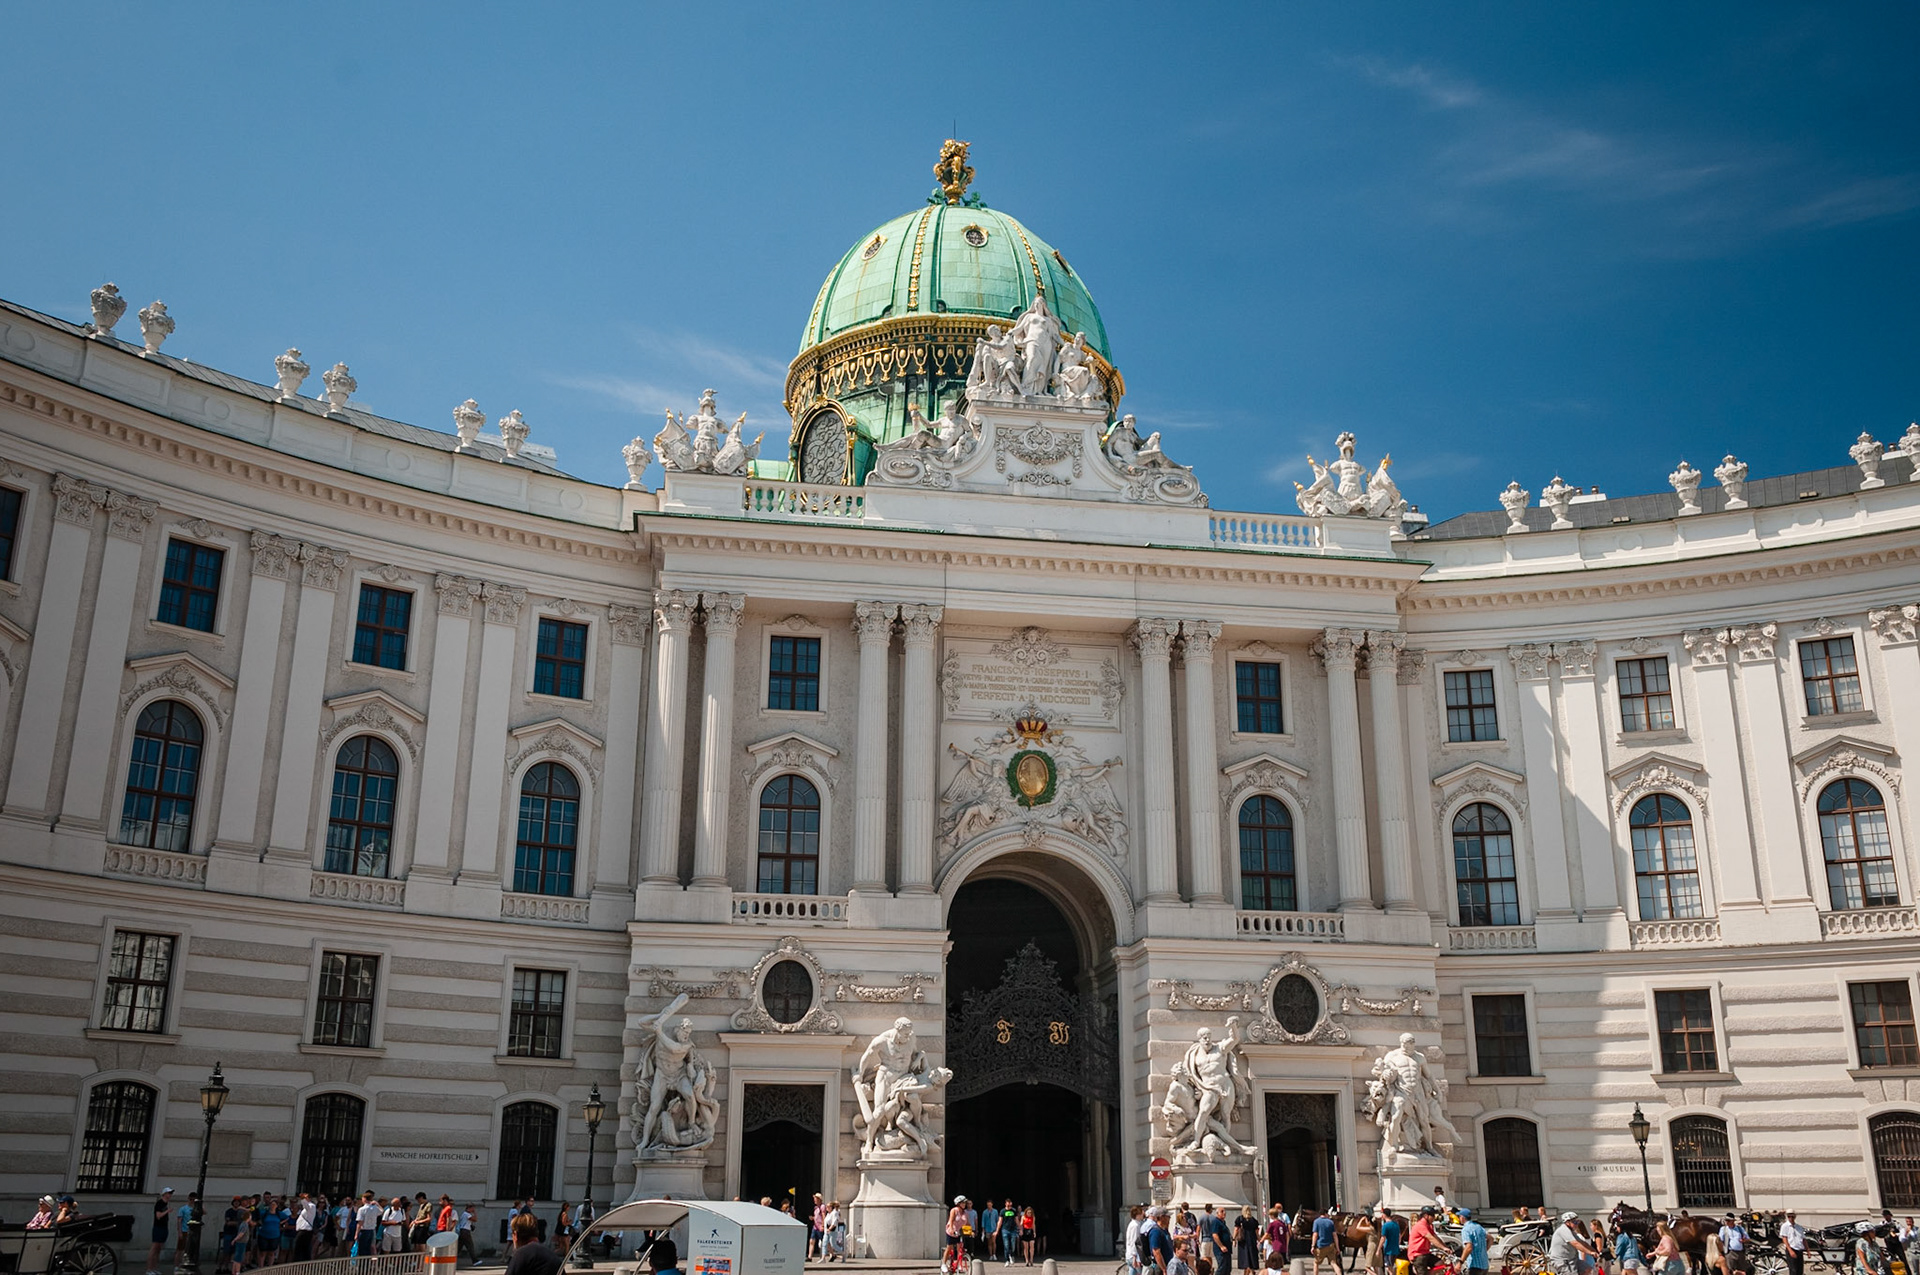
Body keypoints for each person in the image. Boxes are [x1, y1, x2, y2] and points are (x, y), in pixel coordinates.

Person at [147, 1186, 176, 1275]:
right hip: (158, 1227)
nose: (170, 1195)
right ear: (165, 1194)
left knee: (159, 1249)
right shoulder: (160, 1203)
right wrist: (167, 1211)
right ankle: (149, 1269)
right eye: (169, 1193)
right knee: (154, 1248)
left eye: (171, 1193)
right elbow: (158, 1216)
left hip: (164, 1227)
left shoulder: (165, 1204)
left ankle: (154, 1268)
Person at [1409, 1206, 1443, 1275]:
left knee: (1440, 1264)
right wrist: (1443, 1248)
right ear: (1426, 1216)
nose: (1434, 1218)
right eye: (1432, 1215)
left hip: (1425, 1253)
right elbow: (1430, 1238)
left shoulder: (1429, 1226)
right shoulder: (1421, 1225)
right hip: (1418, 1254)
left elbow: (1435, 1237)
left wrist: (1446, 1247)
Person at [1145, 1207, 1176, 1275]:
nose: (1169, 1219)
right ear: (1162, 1217)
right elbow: (1156, 1252)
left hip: (1168, 1265)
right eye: (1168, 1217)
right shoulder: (1155, 1232)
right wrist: (1164, 1269)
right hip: (1159, 1268)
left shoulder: (1165, 1231)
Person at [1459, 1209, 1489, 1275]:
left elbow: (1468, 1247)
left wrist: (1460, 1262)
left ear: (1463, 1218)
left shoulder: (1466, 1229)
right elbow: (1491, 1238)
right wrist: (1484, 1249)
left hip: (1474, 1265)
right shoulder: (1479, 1227)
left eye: (1459, 1216)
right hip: (1484, 1264)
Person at [1312, 1210, 1339, 1275]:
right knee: (1333, 1263)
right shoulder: (1330, 1222)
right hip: (1330, 1245)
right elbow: (1335, 1235)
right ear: (1325, 1214)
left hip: (1321, 1245)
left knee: (1316, 1263)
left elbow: (1315, 1234)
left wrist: (1313, 1246)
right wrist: (1337, 1248)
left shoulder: (1316, 1222)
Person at [946, 1196, 968, 1273]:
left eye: (965, 1202)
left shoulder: (965, 1213)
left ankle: (959, 1265)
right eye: (962, 1203)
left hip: (958, 1231)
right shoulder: (954, 1210)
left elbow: (967, 1223)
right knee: (949, 1247)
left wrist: (971, 1231)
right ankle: (943, 1264)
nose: (964, 1204)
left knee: (960, 1249)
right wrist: (951, 1229)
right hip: (951, 1230)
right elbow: (951, 1221)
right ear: (958, 1204)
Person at [1236, 1207, 1260, 1275]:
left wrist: (1234, 1238)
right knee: (1251, 1256)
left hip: (1243, 1241)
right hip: (1252, 1240)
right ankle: (1252, 1271)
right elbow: (1256, 1232)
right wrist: (1259, 1240)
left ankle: (1247, 1271)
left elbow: (1236, 1229)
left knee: (1245, 1257)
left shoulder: (1240, 1219)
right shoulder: (1254, 1220)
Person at [1379, 1209, 1403, 1275]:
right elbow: (1399, 1236)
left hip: (1388, 1249)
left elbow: (1383, 1238)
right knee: (1391, 1266)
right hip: (1396, 1249)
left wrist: (1378, 1249)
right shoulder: (1396, 1224)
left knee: (1389, 1268)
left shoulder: (1385, 1226)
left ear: (1384, 1215)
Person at [1126, 1206, 1146, 1275]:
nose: (1142, 1215)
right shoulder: (1135, 1225)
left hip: (1130, 1254)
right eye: (1141, 1213)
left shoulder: (1133, 1224)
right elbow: (1134, 1241)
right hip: (1133, 1256)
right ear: (1137, 1215)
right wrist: (1135, 1257)